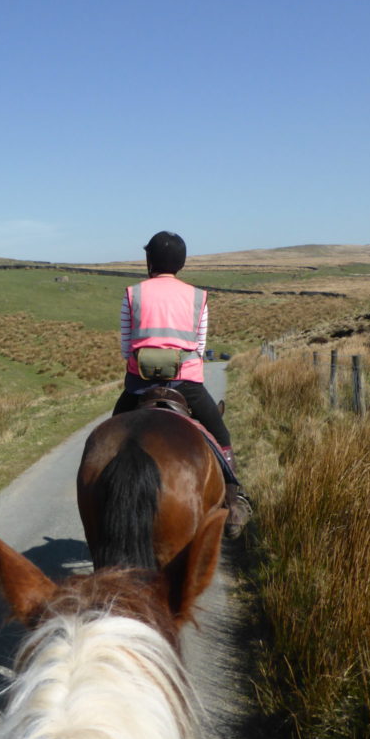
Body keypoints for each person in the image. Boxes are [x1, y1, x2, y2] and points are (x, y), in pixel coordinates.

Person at [114, 230, 251, 538]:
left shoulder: (132, 293)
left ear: (149, 259)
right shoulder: (198, 297)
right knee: (220, 434)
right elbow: (200, 347)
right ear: (182, 262)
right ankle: (233, 501)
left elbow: (125, 345)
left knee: (111, 436)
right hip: (185, 383)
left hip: (139, 382)